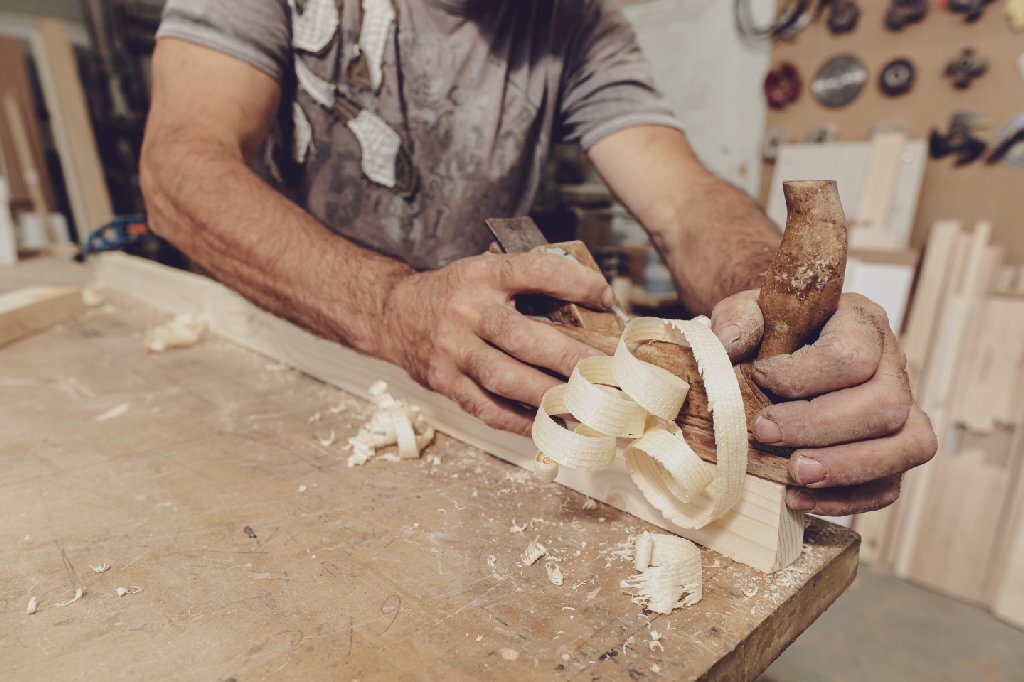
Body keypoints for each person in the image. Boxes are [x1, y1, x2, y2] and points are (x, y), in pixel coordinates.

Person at [140, 0, 936, 516]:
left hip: (458, 382)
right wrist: (392, 308)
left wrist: (776, 290)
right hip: (273, 341)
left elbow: (682, 199)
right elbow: (180, 168)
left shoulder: (578, 26)